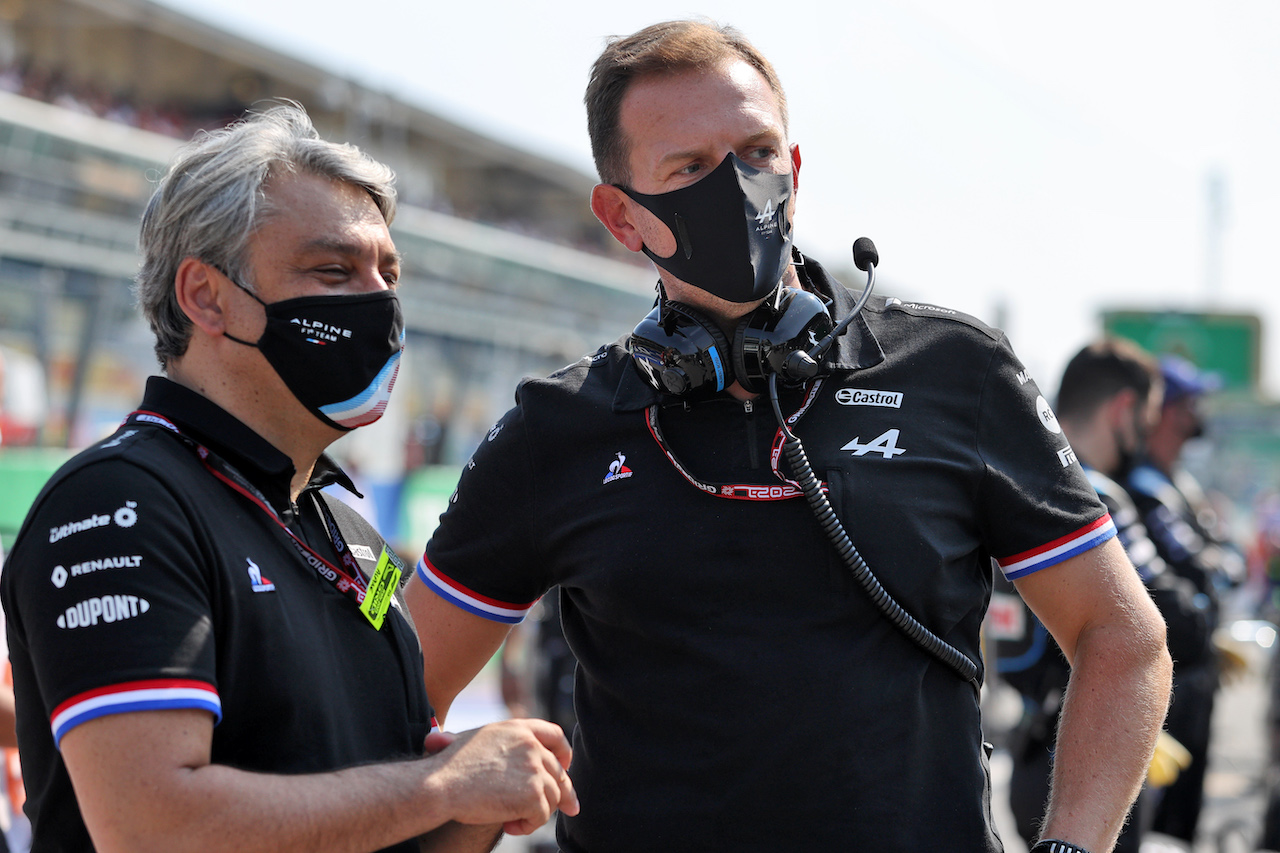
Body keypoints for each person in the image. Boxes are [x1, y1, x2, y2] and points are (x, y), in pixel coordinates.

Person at [405, 21, 1172, 853]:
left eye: (757, 150)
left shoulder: (958, 370)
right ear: (621, 217)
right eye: (690, 168)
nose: (735, 185)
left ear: (795, 171)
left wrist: (1068, 846)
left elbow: (1123, 637)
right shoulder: (559, 427)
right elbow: (398, 696)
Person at [0, 103, 576, 853]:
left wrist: (482, 803)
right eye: (334, 270)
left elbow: (381, 820)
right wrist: (443, 785)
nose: (377, 302)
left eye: (387, 274)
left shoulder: (353, 538)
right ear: (206, 296)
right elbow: (152, 829)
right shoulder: (120, 502)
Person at [996, 338, 1208, 852]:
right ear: (1123, 410)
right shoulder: (1093, 498)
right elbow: (1178, 617)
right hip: (1089, 763)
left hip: (1029, 749)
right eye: (1150, 416)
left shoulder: (1009, 483)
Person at [1127, 354, 1241, 844]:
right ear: (1166, 411)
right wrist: (1219, 566)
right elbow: (1203, 566)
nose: (1198, 412)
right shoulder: (1143, 484)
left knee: (1182, 824)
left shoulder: (1179, 482)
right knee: (1160, 826)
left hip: (1196, 673)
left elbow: (1223, 560)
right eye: (1189, 402)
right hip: (1167, 679)